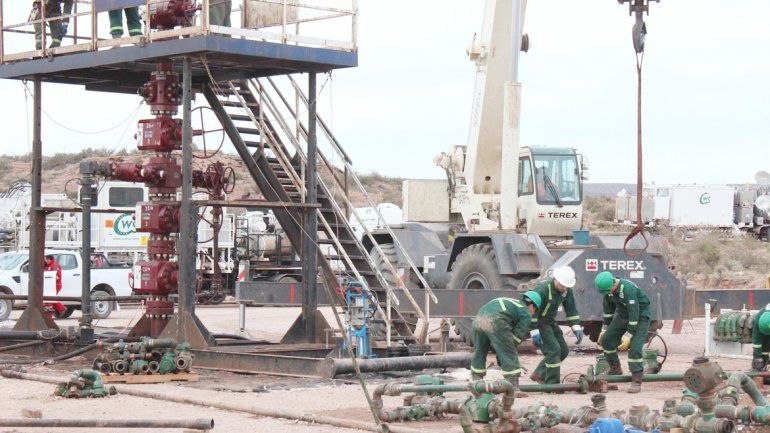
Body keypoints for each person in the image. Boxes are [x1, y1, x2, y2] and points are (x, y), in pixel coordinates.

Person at [469, 291, 542, 390]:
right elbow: (517, 337)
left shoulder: (512, 302)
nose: (533, 314)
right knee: (509, 351)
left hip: (478, 319)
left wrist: (500, 352)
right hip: (496, 320)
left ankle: (477, 381)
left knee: (480, 350)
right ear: (532, 306)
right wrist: (507, 351)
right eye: (535, 311)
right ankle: (513, 387)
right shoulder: (526, 312)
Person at [595, 271, 651, 393]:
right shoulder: (608, 291)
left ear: (613, 284)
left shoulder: (628, 289)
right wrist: (604, 329)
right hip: (623, 315)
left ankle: (636, 380)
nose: (607, 294)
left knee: (635, 349)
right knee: (607, 341)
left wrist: (628, 335)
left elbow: (634, 314)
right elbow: (608, 311)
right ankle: (615, 369)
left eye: (608, 291)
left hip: (640, 316)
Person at [529, 266, 583, 384]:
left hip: (550, 321)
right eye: (562, 285)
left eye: (566, 286)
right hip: (540, 322)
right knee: (554, 350)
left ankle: (539, 374)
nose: (564, 288)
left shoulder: (566, 290)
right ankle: (552, 384)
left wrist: (576, 327)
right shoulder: (542, 290)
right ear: (555, 280)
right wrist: (534, 331)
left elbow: (571, 309)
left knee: (563, 350)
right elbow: (530, 311)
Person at [751, 304, 770, 371]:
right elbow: (756, 342)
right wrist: (758, 358)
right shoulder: (758, 321)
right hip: (761, 328)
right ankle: (756, 368)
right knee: (758, 362)